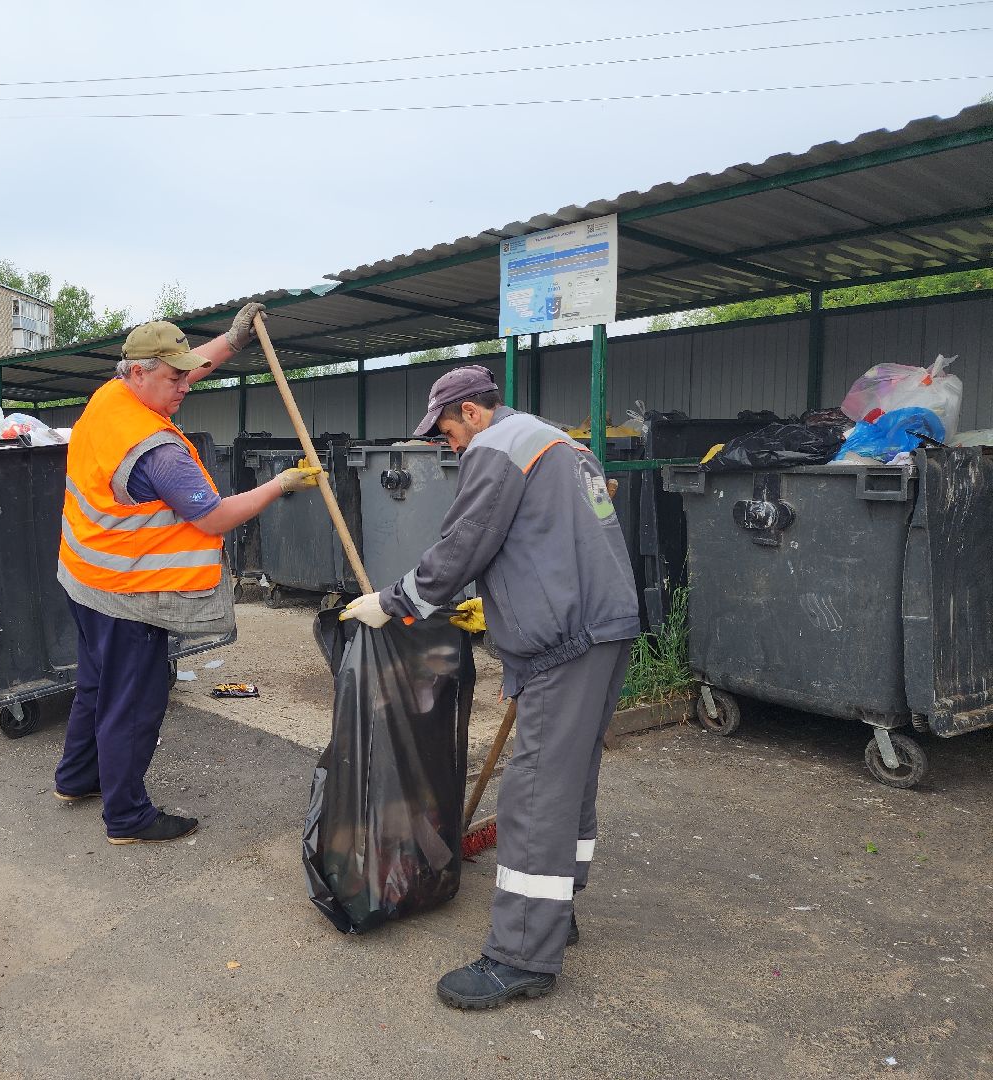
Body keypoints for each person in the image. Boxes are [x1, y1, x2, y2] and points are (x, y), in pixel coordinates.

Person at [340, 364, 640, 1010]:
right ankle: (555, 911)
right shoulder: (558, 443)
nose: (450, 448)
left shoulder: (498, 450)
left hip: (568, 636)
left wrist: (393, 603)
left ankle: (521, 954)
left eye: (447, 434)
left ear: (472, 414)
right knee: (570, 777)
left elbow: (462, 547)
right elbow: (539, 544)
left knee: (533, 790)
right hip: (603, 626)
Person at [56, 302, 324, 845]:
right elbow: (216, 517)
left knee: (95, 685)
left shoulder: (109, 399)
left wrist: (232, 340)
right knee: (133, 703)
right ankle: (126, 817)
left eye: (186, 372)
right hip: (130, 594)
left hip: (84, 576)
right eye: (174, 377)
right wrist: (283, 484)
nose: (186, 385)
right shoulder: (158, 452)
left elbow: (187, 364)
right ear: (138, 371)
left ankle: (77, 779)